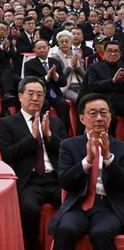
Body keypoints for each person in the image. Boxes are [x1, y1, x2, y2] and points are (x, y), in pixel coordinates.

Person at [50, 94, 124, 250]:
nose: (99, 118)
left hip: (108, 207)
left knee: (100, 233)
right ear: (82, 118)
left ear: (110, 118)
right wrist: (87, 161)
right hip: (78, 205)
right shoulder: (69, 145)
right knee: (66, 229)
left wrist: (109, 159)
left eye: (104, 113)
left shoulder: (121, 148)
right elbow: (65, 181)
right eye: (93, 113)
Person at [0, 77, 64, 250]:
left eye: (40, 95)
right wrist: (32, 138)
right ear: (20, 96)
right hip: (30, 180)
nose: (35, 98)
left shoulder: (54, 122)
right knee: (29, 209)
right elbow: (7, 155)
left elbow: (66, 151)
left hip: (56, 178)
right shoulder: (8, 123)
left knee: (73, 204)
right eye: (31, 94)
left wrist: (49, 136)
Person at [25, 39, 71, 137]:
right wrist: (46, 77)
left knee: (63, 104)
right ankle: (42, 132)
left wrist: (55, 76)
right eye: (39, 48)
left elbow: (63, 82)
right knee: (44, 105)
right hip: (39, 94)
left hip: (54, 93)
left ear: (48, 49)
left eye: (44, 47)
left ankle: (63, 133)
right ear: (34, 50)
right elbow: (30, 82)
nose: (42, 50)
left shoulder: (55, 62)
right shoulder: (29, 64)